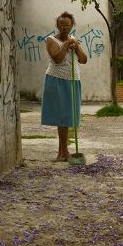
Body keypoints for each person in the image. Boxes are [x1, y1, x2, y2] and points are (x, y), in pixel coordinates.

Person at [40, 12, 88, 162]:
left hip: (73, 80)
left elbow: (84, 60)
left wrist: (76, 48)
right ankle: (63, 152)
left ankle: (63, 152)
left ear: (72, 25)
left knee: (68, 117)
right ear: (57, 25)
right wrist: (66, 45)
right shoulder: (51, 40)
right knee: (62, 117)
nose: (65, 28)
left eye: (67, 25)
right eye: (62, 25)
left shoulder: (73, 40)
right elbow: (57, 59)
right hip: (57, 80)